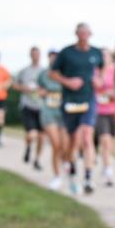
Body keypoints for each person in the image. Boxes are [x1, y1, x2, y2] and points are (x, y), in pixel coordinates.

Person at [50, 22, 103, 195]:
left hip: (89, 100)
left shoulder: (96, 53)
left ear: (90, 34)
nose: (83, 35)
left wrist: (99, 81)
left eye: (86, 33)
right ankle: (72, 170)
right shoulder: (66, 53)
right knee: (72, 141)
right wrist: (68, 82)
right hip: (70, 101)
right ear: (76, 34)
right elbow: (53, 73)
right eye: (80, 33)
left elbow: (103, 70)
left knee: (86, 136)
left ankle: (88, 178)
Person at [39, 49, 68, 191]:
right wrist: (41, 92)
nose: (53, 60)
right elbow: (38, 90)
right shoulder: (43, 74)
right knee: (56, 144)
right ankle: (56, 176)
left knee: (63, 145)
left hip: (63, 113)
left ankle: (63, 163)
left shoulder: (65, 73)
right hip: (48, 111)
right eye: (51, 57)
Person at [15, 46, 45, 170]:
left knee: (42, 137)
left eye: (37, 54)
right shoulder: (24, 71)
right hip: (27, 105)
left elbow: (50, 87)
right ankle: (28, 147)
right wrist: (25, 88)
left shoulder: (44, 71)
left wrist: (42, 91)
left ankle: (37, 159)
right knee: (32, 134)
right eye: (33, 54)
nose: (35, 56)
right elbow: (15, 85)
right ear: (30, 55)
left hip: (42, 107)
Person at [93, 48, 115, 187]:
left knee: (111, 143)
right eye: (101, 56)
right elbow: (95, 85)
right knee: (105, 140)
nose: (103, 58)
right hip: (99, 111)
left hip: (114, 110)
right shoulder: (95, 71)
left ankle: (106, 162)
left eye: (106, 56)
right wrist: (102, 72)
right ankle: (109, 172)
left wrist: (113, 93)